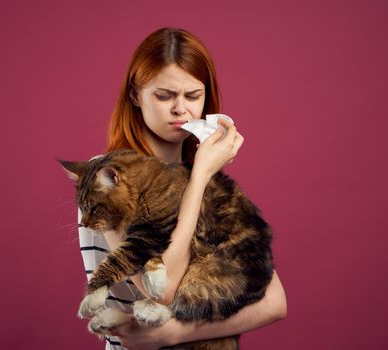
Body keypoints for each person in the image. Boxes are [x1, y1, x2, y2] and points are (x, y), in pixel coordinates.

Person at [78, 27, 287, 350]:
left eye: (193, 96)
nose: (181, 110)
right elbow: (163, 287)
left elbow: (274, 302)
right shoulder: (108, 179)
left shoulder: (201, 178)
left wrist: (173, 333)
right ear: (135, 95)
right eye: (164, 96)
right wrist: (201, 175)